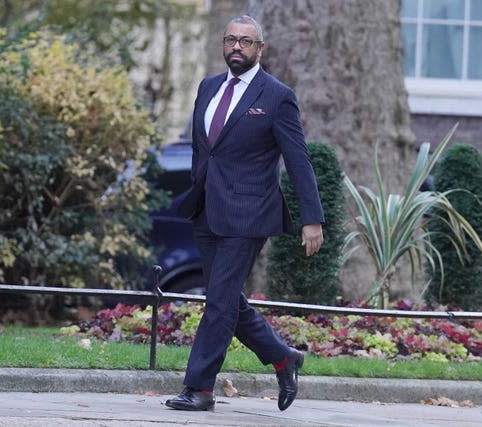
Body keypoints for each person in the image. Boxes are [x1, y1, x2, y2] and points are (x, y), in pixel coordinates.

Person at [166, 15, 324, 412]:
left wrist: (312, 218)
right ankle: (285, 358)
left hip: (250, 214)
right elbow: (203, 150)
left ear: (260, 49)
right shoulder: (208, 87)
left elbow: (298, 159)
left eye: (246, 42)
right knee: (227, 300)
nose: (237, 47)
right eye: (231, 40)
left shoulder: (277, 96)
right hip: (207, 210)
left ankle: (199, 388)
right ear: (224, 45)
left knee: (218, 302)